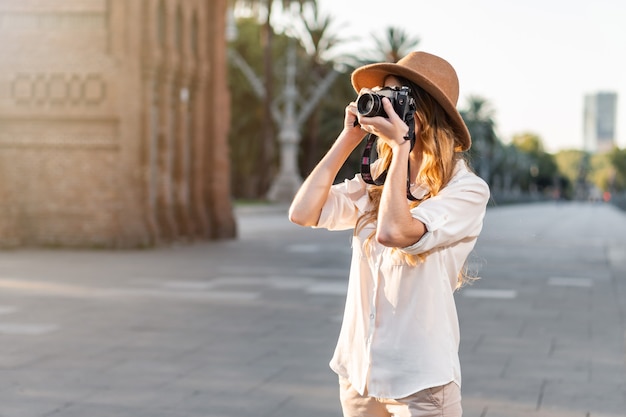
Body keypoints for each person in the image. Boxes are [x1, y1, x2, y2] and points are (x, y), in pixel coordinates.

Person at [289, 51, 490, 417]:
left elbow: (395, 232)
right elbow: (303, 213)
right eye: (382, 95)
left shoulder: (466, 190)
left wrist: (400, 148)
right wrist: (347, 139)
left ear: (423, 112)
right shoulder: (376, 177)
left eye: (395, 97)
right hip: (360, 375)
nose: (383, 104)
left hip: (421, 383)